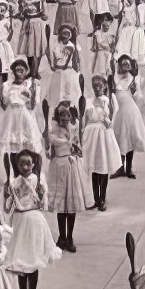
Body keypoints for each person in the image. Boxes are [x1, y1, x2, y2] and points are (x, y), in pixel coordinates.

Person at [4, 149, 61, 289]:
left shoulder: (34, 179)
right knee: (22, 261)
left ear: (33, 164)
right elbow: (8, 207)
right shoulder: (14, 182)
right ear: (17, 165)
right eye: (21, 163)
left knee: (33, 261)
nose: (25, 166)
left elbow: (35, 193)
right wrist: (7, 192)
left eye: (28, 163)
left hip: (33, 222)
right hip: (20, 223)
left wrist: (13, 185)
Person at [46, 101, 91, 252]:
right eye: (62, 117)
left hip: (71, 166)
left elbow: (78, 144)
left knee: (70, 205)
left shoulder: (73, 127)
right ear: (58, 118)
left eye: (67, 117)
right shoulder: (54, 130)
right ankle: (61, 236)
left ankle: (70, 237)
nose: (65, 120)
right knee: (61, 205)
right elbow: (50, 150)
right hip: (59, 167)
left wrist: (76, 147)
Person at [81, 76, 121, 212]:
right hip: (91, 136)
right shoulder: (88, 101)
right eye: (94, 85)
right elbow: (85, 119)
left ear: (104, 86)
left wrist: (110, 122)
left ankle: (102, 198)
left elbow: (114, 114)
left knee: (102, 167)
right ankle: (96, 199)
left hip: (103, 135)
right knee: (94, 168)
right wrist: (82, 136)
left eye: (99, 85)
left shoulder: (110, 99)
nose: (97, 88)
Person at [111, 55, 145, 179]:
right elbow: (111, 95)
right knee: (121, 139)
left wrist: (134, 92)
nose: (124, 68)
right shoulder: (114, 78)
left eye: (127, 65)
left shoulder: (133, 79)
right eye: (122, 65)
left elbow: (139, 97)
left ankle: (129, 168)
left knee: (130, 140)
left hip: (130, 112)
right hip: (119, 112)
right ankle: (120, 168)